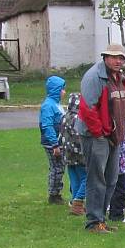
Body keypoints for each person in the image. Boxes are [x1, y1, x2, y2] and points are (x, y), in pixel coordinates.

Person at [76, 43, 125, 233]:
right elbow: (87, 109)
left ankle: (101, 220)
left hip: (114, 136)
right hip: (95, 135)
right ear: (105, 57)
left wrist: (118, 134)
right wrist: (100, 133)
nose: (118, 61)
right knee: (96, 178)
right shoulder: (94, 77)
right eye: (114, 57)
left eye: (121, 58)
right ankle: (93, 222)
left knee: (112, 178)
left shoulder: (120, 78)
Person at [39, 75, 66, 205]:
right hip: (52, 143)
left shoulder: (56, 104)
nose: (64, 92)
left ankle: (56, 192)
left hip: (58, 141)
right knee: (57, 167)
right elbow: (47, 125)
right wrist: (54, 144)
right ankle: (54, 194)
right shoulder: (48, 106)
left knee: (59, 167)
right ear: (56, 90)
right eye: (62, 89)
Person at [58, 92, 86, 216]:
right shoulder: (79, 118)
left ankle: (75, 205)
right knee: (87, 178)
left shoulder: (65, 116)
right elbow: (82, 136)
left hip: (67, 154)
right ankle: (77, 202)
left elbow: (61, 134)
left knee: (75, 179)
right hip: (79, 153)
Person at [108, 119, 125, 225]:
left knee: (119, 186)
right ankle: (117, 214)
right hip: (120, 158)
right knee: (120, 187)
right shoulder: (117, 117)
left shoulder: (122, 118)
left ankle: (116, 211)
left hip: (123, 156)